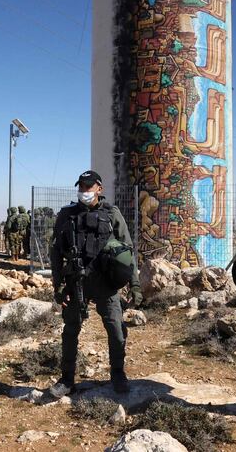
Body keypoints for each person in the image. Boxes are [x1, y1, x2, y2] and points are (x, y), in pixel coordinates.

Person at [49, 170, 143, 398]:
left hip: (105, 282)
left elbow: (127, 250)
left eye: (89, 187)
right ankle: (67, 379)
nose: (84, 192)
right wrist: (58, 286)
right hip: (75, 282)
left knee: (116, 330)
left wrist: (135, 285)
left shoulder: (112, 214)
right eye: (81, 187)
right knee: (70, 331)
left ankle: (118, 373)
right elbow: (56, 253)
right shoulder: (66, 215)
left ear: (99, 189)